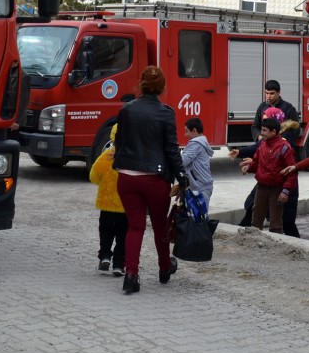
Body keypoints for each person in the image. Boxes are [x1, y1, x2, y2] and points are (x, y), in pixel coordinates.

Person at [113, 66, 188, 294]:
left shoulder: (127, 110)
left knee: (135, 227)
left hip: (126, 177)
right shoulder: (166, 112)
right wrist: (182, 176)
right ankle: (164, 268)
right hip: (155, 179)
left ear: (141, 85)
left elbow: (119, 142)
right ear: (162, 87)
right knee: (159, 227)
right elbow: (172, 149)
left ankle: (131, 274)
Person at [236, 81, 302, 236]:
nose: (268, 96)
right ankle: (248, 235)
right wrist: (251, 164)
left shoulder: (284, 143)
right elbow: (256, 137)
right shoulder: (263, 112)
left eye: (272, 93)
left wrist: (285, 190)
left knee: (284, 221)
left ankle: (295, 245)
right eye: (266, 92)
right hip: (265, 182)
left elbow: (290, 170)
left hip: (280, 184)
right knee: (252, 208)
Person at [243, 115, 297, 234]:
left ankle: (275, 248)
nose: (261, 134)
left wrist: (285, 191)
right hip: (261, 187)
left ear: (273, 131)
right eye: (262, 130)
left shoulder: (284, 148)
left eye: (264, 130)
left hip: (276, 189)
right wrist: (249, 167)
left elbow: (292, 172)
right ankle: (254, 245)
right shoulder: (263, 144)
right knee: (256, 219)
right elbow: (257, 162)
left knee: (275, 222)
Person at [88, 124, 127, 276]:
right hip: (125, 206)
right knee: (122, 237)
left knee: (105, 232)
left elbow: (93, 176)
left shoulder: (105, 157)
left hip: (106, 204)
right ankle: (118, 264)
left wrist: (104, 184)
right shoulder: (131, 158)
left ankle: (104, 256)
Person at [180, 116, 214, 205]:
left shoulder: (195, 144)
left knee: (199, 218)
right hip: (204, 185)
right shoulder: (202, 142)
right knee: (200, 216)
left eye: (186, 131)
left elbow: (182, 162)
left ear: (194, 130)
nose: (185, 135)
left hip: (200, 188)